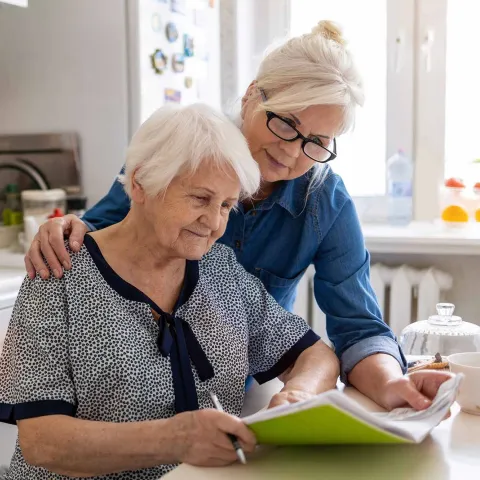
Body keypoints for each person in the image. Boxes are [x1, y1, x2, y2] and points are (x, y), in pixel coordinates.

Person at [25, 21, 452, 412]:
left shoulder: (325, 202)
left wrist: (393, 384)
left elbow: (357, 328)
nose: (290, 151)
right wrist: (66, 228)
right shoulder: (181, 150)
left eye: (316, 141)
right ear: (252, 95)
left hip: (235, 392)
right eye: (286, 123)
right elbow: (101, 234)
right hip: (131, 393)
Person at [0, 103, 340, 479]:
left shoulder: (221, 270)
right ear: (143, 182)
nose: (214, 223)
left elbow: (315, 355)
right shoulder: (58, 273)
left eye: (227, 205)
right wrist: (176, 439)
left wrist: (300, 396)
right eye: (200, 198)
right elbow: (42, 442)